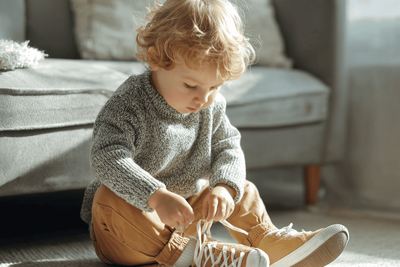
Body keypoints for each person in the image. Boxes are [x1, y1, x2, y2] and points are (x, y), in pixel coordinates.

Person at [80, 0, 349, 266]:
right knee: (109, 198)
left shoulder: (211, 106)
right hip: (130, 233)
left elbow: (228, 147)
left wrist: (223, 188)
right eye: (191, 85)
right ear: (156, 59)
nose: (203, 99)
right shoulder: (129, 102)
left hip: (188, 223)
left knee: (241, 188)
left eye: (215, 87)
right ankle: (197, 256)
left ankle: (268, 243)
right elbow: (107, 157)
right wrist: (156, 197)